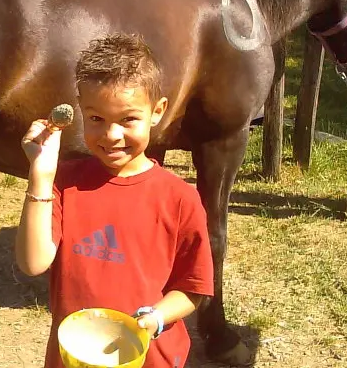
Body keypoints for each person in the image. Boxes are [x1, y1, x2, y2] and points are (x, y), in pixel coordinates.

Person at [17, 33, 214, 368]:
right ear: (81, 111)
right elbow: (33, 262)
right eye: (97, 119)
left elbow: (194, 287)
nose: (111, 135)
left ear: (157, 111)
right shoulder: (64, 182)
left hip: (148, 358)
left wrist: (157, 317)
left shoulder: (179, 198)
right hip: (75, 357)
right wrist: (41, 174)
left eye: (128, 119)